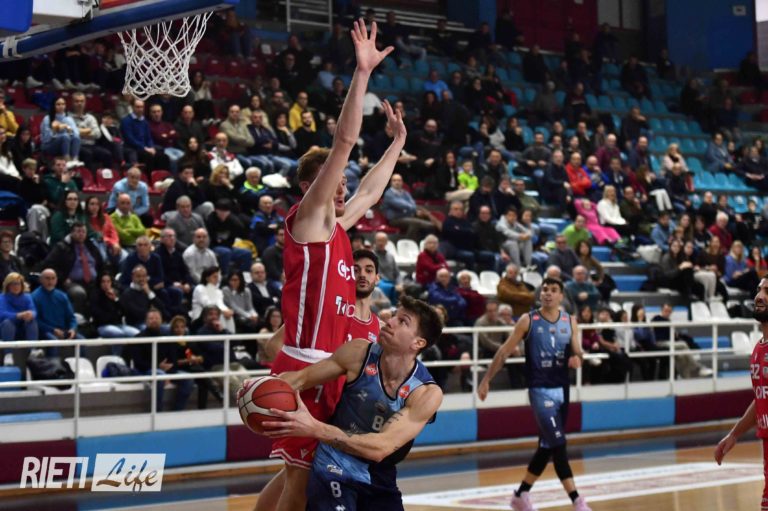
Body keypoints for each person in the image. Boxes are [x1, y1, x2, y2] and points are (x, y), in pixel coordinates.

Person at [257, 20, 405, 511]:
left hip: (328, 365)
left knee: (293, 473)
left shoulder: (339, 227)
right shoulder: (309, 221)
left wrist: (397, 143)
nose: (344, 187)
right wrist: (362, 74)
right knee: (301, 483)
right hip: (304, 361)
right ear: (312, 186)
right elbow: (343, 144)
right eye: (335, 181)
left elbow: (371, 191)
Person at [256, 296, 443, 511]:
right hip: (334, 461)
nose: (389, 321)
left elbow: (380, 448)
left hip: (378, 472)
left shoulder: (425, 393)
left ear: (418, 343)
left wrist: (314, 428)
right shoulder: (358, 353)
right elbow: (301, 378)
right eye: (394, 315)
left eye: (403, 321)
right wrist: (259, 388)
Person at [478, 278, 591, 511]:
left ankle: (520, 495)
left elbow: (578, 351)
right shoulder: (528, 320)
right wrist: (486, 379)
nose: (548, 293)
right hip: (540, 390)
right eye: (545, 290)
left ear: (561, 296)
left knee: (546, 447)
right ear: (540, 295)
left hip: (562, 389)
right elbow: (504, 351)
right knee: (559, 444)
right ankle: (577, 501)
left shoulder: (570, 321)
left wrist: (578, 357)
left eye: (553, 290)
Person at [715, 277, 768, 508]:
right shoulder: (758, 349)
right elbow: (761, 399)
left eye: (767, 291)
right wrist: (734, 434)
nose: (759, 296)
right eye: (758, 290)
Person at [0, 273, 37, 368]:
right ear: (8, 286)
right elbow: (2, 314)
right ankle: (8, 354)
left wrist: (31, 314)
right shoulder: (2, 298)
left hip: (23, 329)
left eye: (18, 284)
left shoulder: (27, 297)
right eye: (13, 284)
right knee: (7, 323)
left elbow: (34, 311)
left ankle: (33, 351)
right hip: (6, 330)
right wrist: (18, 315)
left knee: (31, 321)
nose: (16, 286)